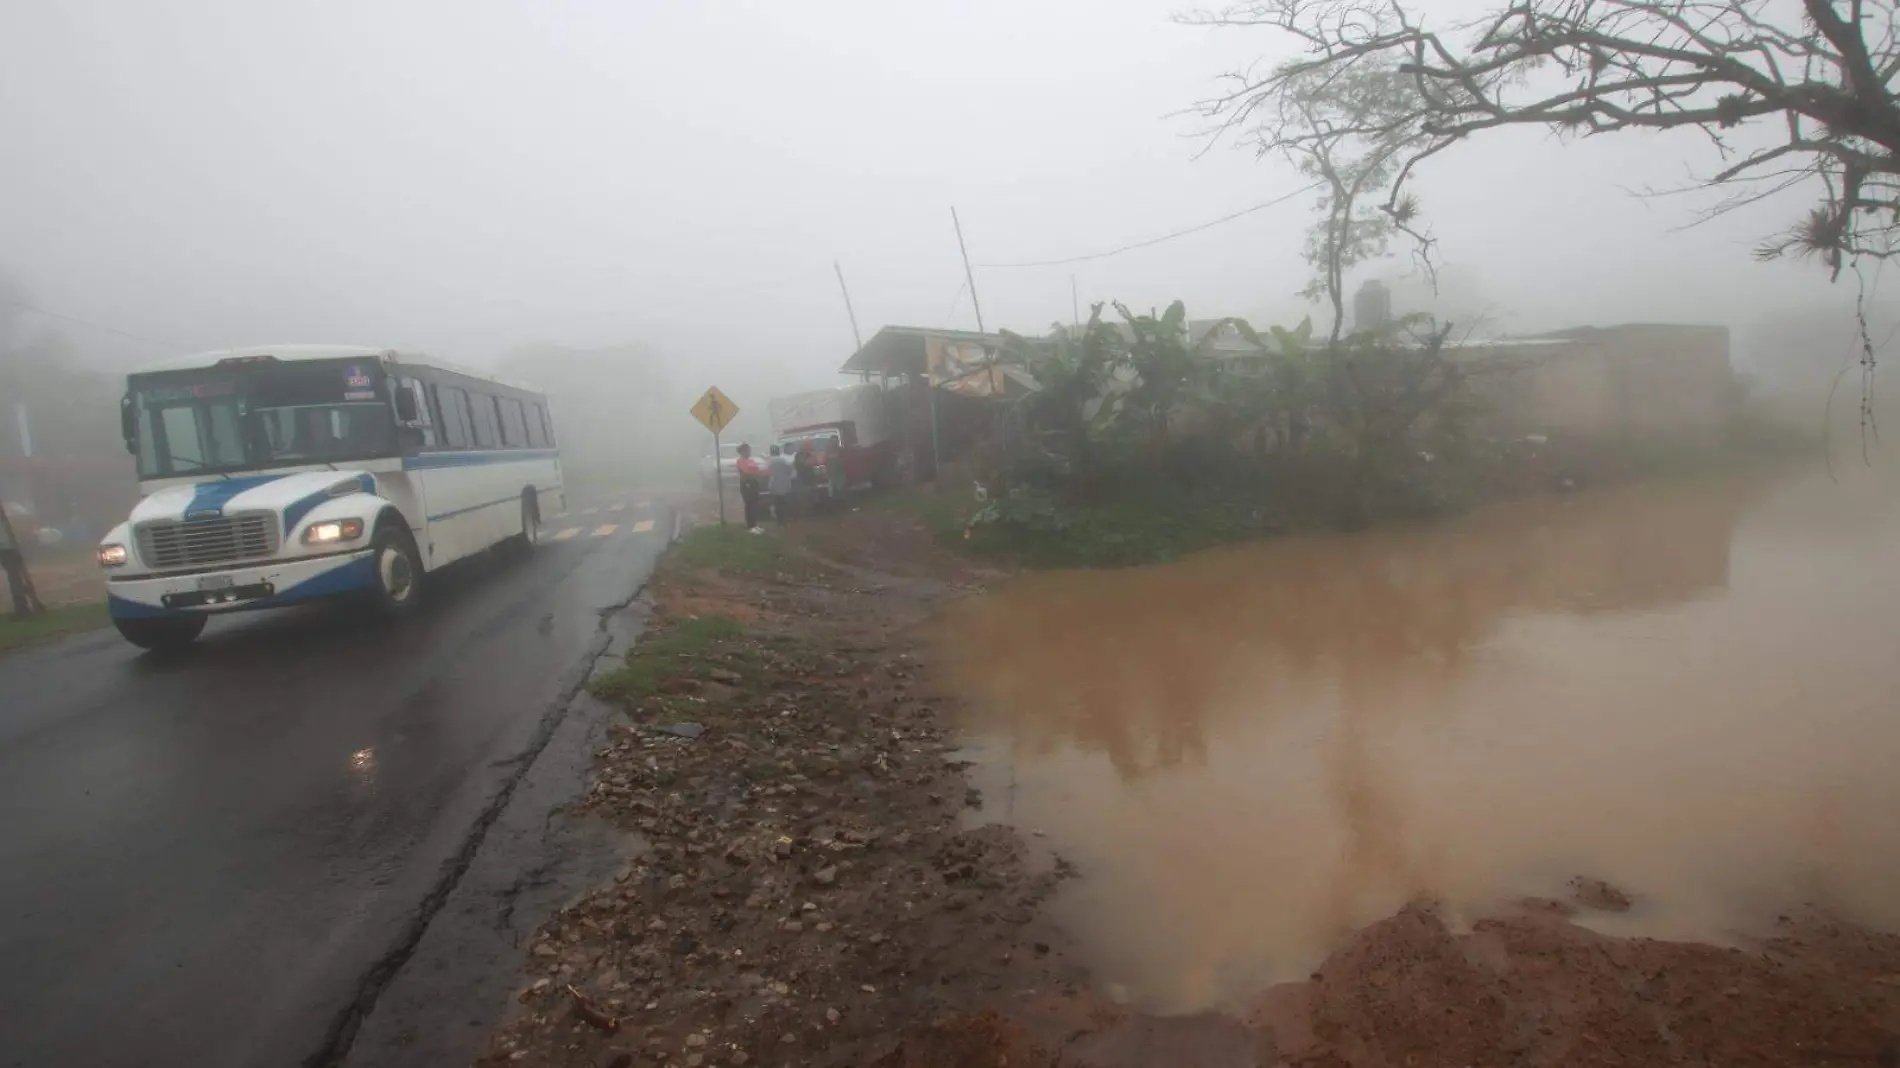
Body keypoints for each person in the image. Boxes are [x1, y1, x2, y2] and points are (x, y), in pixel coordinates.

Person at [735, 443, 765, 532]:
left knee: (755, 504)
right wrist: (756, 472)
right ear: (742, 451)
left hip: (754, 482)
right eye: (747, 450)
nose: (749, 452)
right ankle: (750, 525)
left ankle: (755, 524)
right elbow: (745, 471)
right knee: (749, 504)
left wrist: (757, 472)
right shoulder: (740, 461)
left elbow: (757, 469)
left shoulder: (751, 460)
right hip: (746, 484)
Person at [765, 444, 797, 524]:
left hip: (773, 485)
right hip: (785, 484)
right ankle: (784, 520)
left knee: (776, 503)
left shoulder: (769, 462)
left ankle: (779, 520)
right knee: (784, 503)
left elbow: (767, 473)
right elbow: (793, 473)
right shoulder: (784, 461)